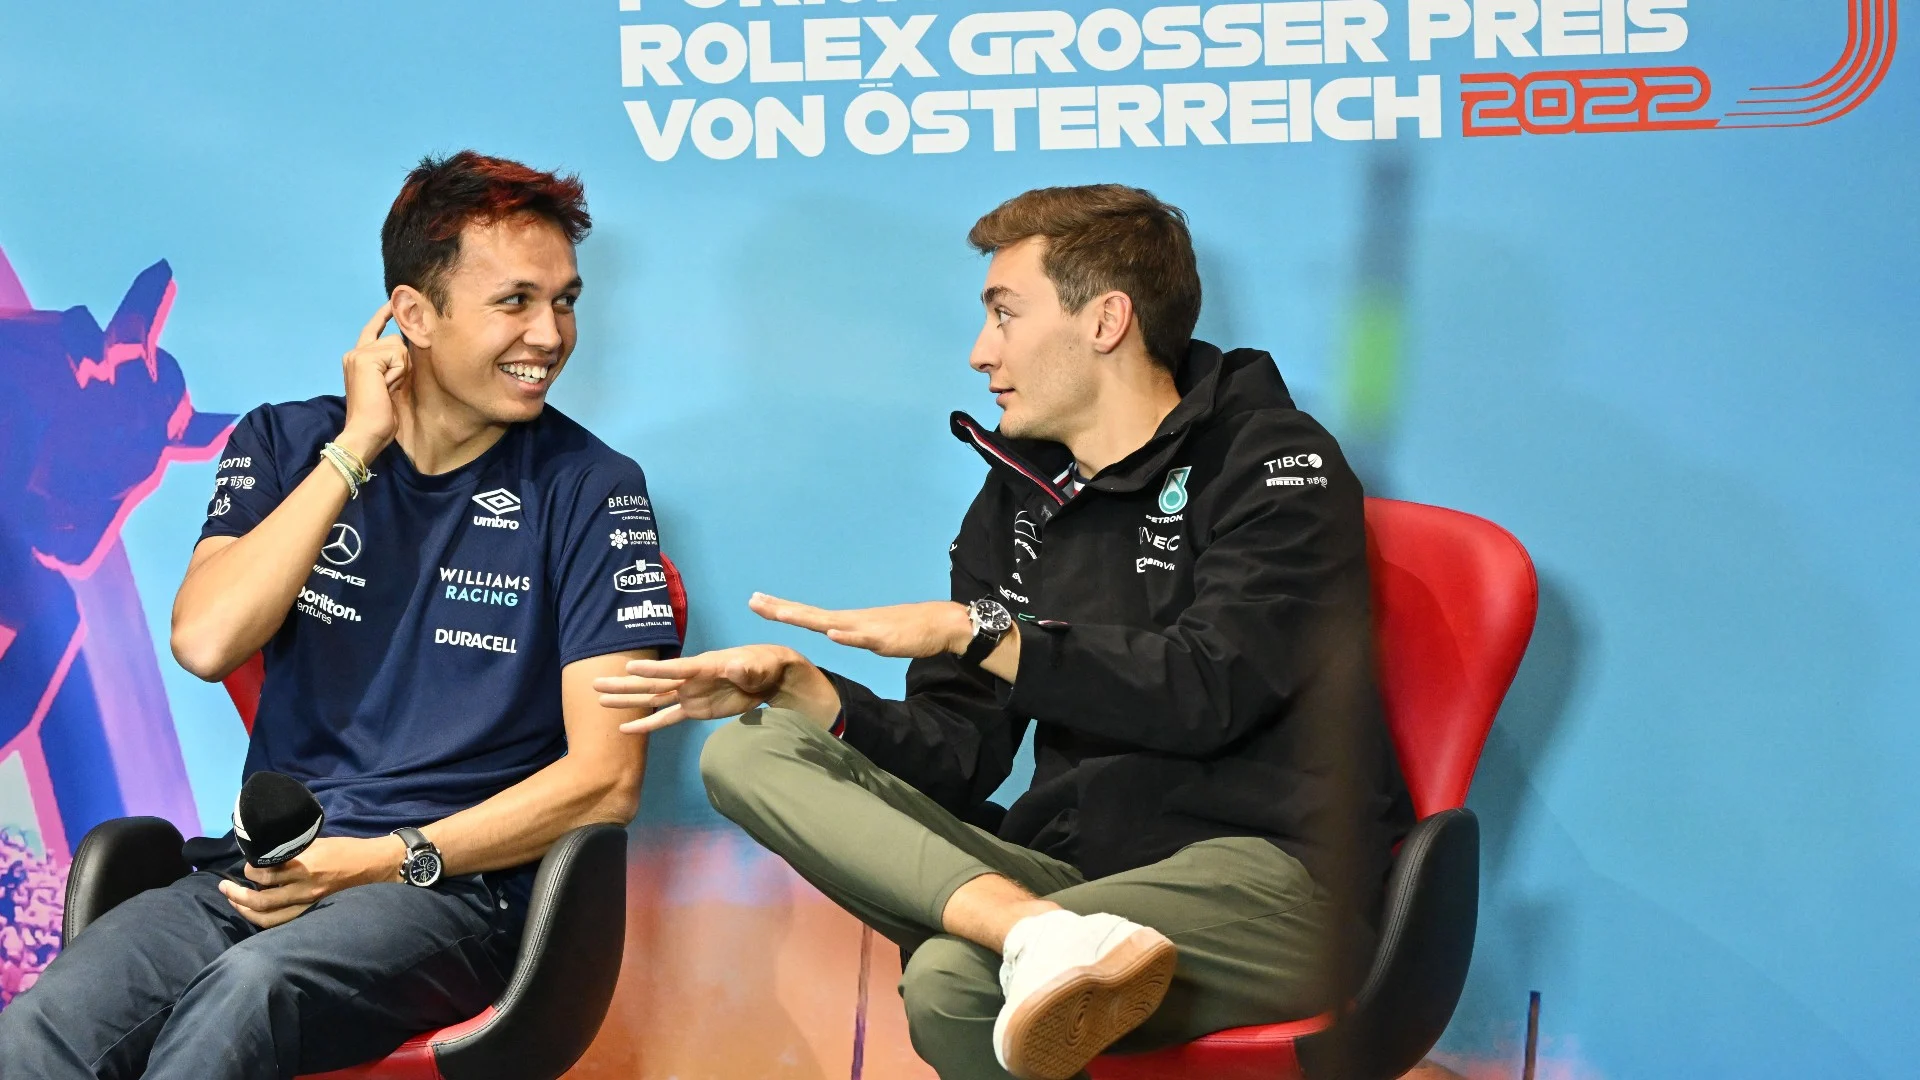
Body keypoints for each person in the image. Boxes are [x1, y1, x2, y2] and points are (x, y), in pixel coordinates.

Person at [596, 184, 1413, 1080]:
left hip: (1277, 882)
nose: (982, 353)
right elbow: (958, 755)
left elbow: (1207, 689)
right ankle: (1032, 932)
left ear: (1106, 320)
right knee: (748, 751)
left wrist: (983, 631)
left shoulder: (1272, 460)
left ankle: (1033, 937)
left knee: (953, 979)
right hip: (1077, 887)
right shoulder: (1017, 496)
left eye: (1004, 314)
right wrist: (817, 700)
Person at [0, 151, 681, 1078]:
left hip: (451, 895)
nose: (551, 334)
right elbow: (205, 640)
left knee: (245, 1000)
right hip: (260, 878)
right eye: (515, 302)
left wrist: (376, 862)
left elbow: (607, 781)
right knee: (41, 1029)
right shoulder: (287, 442)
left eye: (565, 301)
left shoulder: (592, 488)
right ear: (413, 316)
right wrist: (356, 448)